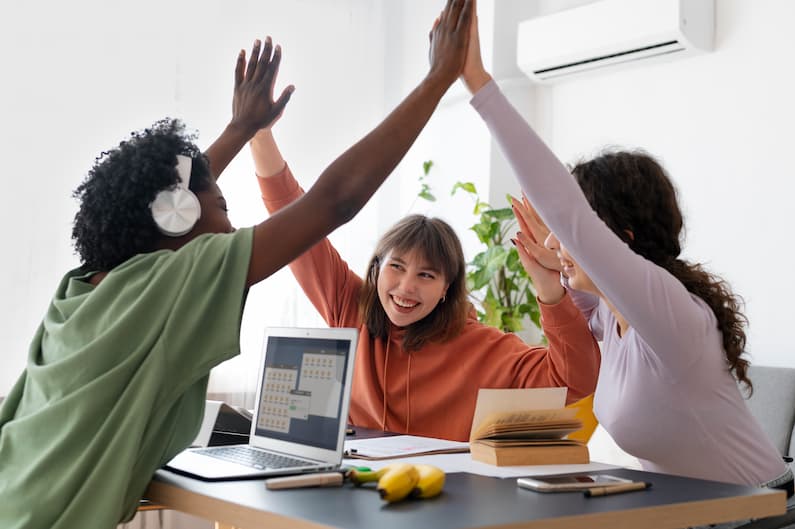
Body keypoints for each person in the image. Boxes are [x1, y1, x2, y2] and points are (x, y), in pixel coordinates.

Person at [0, 2, 474, 527]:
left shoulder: (86, 286)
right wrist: (437, 80)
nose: (229, 229)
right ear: (177, 218)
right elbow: (335, 200)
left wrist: (241, 127)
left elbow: (171, 204)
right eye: (222, 209)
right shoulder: (170, 281)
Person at [459, 0, 793, 497]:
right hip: (687, 512)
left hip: (762, 511)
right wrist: (553, 278)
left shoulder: (667, 309)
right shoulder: (611, 319)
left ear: (622, 241)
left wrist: (478, 83)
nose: (558, 240)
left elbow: (566, 208)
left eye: (572, 232)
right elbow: (572, 298)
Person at [251, 108, 601, 442]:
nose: (406, 288)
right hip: (354, 489)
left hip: (439, 495)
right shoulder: (350, 308)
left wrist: (548, 286)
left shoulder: (481, 348)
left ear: (447, 288)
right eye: (397, 267)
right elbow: (294, 221)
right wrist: (259, 132)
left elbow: (574, 382)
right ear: (376, 270)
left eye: (427, 276)